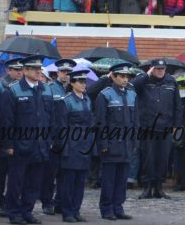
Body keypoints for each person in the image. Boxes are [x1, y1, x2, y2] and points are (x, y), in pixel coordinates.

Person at [2, 55, 54, 225]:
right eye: (34, 68)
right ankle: (14, 213)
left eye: (39, 68)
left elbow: (51, 118)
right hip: (20, 145)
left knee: (33, 182)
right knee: (16, 183)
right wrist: (8, 144)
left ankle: (27, 211)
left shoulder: (46, 90)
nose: (38, 71)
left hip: (40, 144)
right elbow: (7, 120)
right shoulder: (13, 90)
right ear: (24, 71)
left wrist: (49, 140)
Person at [132, 59, 182, 199]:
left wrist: (177, 125)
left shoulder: (171, 82)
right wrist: (146, 75)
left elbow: (177, 105)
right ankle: (147, 187)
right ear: (151, 69)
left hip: (166, 127)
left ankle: (159, 187)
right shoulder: (143, 81)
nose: (160, 71)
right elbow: (132, 87)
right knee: (148, 158)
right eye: (157, 68)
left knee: (163, 159)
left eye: (162, 69)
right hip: (147, 127)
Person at [94, 63, 139, 220]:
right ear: (113, 76)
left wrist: (135, 141)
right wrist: (103, 144)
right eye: (122, 76)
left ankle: (118, 207)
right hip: (111, 144)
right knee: (109, 180)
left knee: (122, 179)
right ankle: (107, 209)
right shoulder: (105, 95)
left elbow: (136, 121)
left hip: (127, 144)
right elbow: (100, 122)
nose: (125, 79)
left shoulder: (132, 94)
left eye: (127, 76)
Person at [56, 68, 95, 223]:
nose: (83, 84)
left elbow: (91, 125)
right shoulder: (66, 101)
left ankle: (76, 210)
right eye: (80, 81)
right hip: (71, 147)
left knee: (80, 182)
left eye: (85, 81)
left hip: (85, 146)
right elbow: (62, 128)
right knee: (68, 182)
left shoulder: (87, 100)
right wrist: (64, 149)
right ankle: (67, 212)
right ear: (72, 83)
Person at [41, 58, 75, 216]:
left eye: (69, 72)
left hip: (69, 138)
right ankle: (47, 202)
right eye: (63, 71)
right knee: (50, 172)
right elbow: (45, 115)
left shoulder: (74, 89)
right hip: (54, 137)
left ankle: (60, 202)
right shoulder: (49, 89)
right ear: (58, 72)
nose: (66, 75)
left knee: (65, 172)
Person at [0, 57, 24, 218]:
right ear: (8, 70)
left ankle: (12, 202)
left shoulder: (21, 87)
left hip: (17, 136)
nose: (19, 73)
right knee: (0, 172)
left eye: (20, 70)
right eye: (16, 70)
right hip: (3, 135)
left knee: (16, 173)